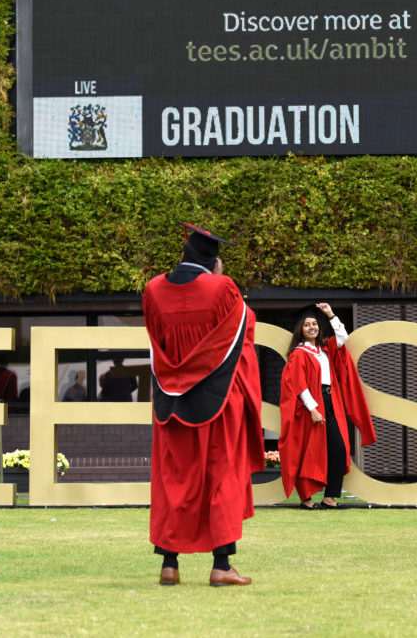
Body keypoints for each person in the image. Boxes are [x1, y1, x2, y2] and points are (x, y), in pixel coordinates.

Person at [143, 223, 264, 586]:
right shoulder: (223, 289)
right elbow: (245, 327)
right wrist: (221, 280)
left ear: (182, 255)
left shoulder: (153, 290)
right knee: (221, 477)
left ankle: (169, 564)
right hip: (218, 401)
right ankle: (222, 565)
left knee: (172, 479)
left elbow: (156, 338)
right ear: (215, 263)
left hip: (171, 404)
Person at [279, 302, 376, 509]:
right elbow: (299, 384)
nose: (312, 327)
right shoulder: (299, 353)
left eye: (314, 324)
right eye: (307, 325)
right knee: (309, 451)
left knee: (339, 449)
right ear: (300, 330)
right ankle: (306, 498)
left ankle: (330, 496)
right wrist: (313, 408)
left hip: (331, 400)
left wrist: (331, 315)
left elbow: (343, 338)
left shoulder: (324, 349)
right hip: (311, 406)